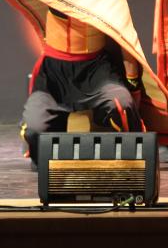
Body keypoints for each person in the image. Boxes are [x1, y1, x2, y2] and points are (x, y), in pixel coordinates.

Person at [22, 10, 140, 165]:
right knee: (35, 129)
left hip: (96, 71)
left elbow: (125, 35)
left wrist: (133, 81)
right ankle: (45, 163)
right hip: (54, 73)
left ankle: (132, 159)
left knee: (121, 106)